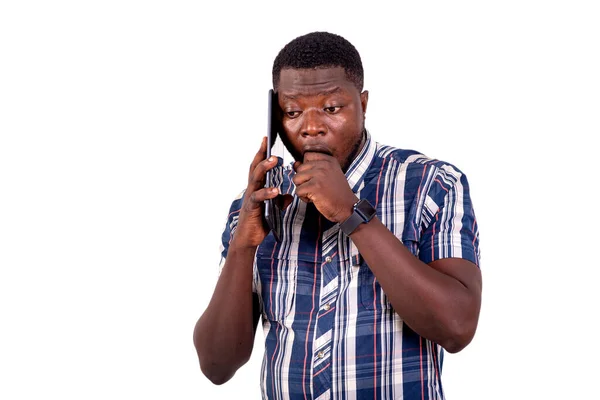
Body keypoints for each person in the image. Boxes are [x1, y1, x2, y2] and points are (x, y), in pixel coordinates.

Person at [193, 31, 482, 400]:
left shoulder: (431, 183)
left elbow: (457, 327)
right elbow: (217, 365)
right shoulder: (257, 203)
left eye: (331, 108)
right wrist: (242, 246)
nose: (311, 126)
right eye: (293, 112)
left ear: (362, 103)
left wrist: (351, 213)